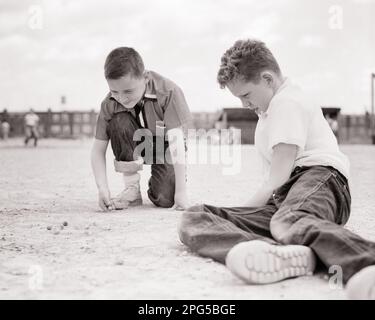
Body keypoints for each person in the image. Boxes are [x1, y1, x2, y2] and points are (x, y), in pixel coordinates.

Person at [178, 39, 375, 299]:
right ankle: (285, 253)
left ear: (268, 79)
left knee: (287, 219)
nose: (244, 105)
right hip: (288, 198)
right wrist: (233, 214)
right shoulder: (270, 108)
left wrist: (243, 211)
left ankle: (366, 261)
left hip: (320, 181)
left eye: (246, 95)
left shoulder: (287, 103)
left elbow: (277, 178)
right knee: (198, 215)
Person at [91, 47, 192, 212]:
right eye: (114, 91)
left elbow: (176, 141)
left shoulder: (169, 92)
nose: (122, 98)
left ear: (145, 77)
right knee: (118, 121)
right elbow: (97, 150)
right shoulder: (110, 103)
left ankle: (162, 183)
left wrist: (181, 192)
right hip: (136, 142)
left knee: (165, 198)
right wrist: (102, 188)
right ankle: (132, 188)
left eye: (128, 91)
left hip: (165, 146)